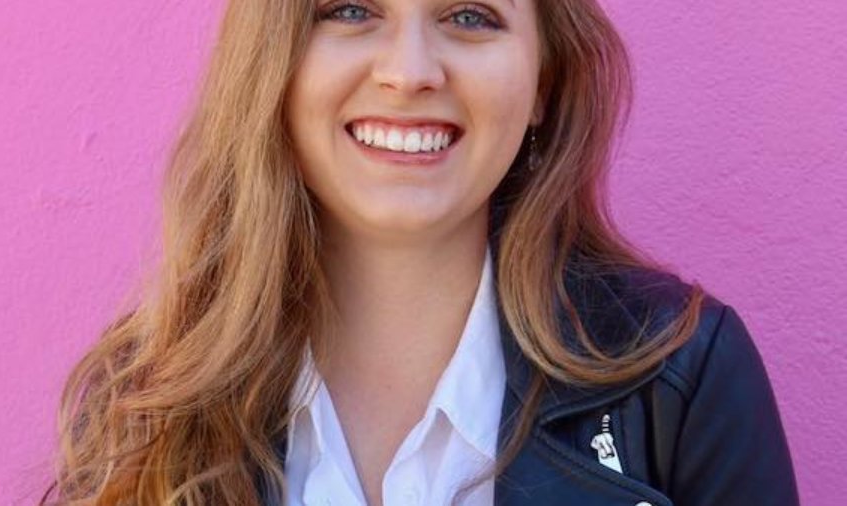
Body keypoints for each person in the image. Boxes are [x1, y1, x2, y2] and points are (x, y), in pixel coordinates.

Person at [41, 0, 799, 505]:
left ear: (544, 79)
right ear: (274, 61)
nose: (408, 73)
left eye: (470, 15)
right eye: (350, 8)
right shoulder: (144, 407)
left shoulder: (680, 382)